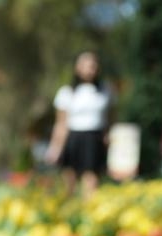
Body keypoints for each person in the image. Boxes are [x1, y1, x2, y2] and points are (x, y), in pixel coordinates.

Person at [45, 50, 114, 196]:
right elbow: (61, 123)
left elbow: (111, 117)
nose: (90, 68)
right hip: (73, 137)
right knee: (69, 180)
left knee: (91, 179)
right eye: (86, 64)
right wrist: (55, 148)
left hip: (94, 138)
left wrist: (108, 136)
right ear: (77, 67)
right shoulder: (67, 92)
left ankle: (89, 214)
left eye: (93, 64)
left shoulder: (106, 90)